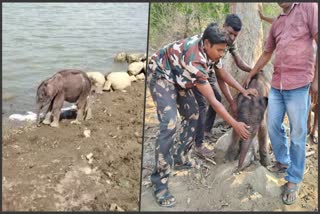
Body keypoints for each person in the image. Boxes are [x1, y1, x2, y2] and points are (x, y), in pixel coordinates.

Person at [147, 23, 257, 207]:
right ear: (206, 44)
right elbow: (213, 100)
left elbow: (222, 73)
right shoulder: (195, 60)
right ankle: (159, 182)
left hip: (179, 74)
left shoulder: (214, 45)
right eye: (220, 51)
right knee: (170, 123)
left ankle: (180, 158)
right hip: (161, 74)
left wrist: (242, 91)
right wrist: (235, 124)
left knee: (194, 114)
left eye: (224, 51)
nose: (222, 54)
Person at [244, 2, 318, 205]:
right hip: (278, 84)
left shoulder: (309, 7)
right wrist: (252, 71)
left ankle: (294, 178)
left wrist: (316, 79)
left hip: (300, 83)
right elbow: (267, 53)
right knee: (274, 125)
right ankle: (283, 161)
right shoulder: (277, 23)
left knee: (298, 132)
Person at [192, 14, 253, 159]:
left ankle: (206, 131)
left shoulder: (229, 42)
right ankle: (198, 143)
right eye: (230, 33)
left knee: (217, 97)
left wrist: (254, 71)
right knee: (203, 103)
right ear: (223, 26)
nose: (232, 37)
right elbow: (220, 75)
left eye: (235, 35)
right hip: (199, 67)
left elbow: (225, 72)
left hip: (212, 66)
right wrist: (234, 122)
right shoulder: (213, 36)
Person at [258, 4, 318, 145]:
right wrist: (262, 17)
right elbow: (277, 21)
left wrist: (316, 80)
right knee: (305, 111)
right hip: (290, 80)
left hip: (311, 73)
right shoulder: (283, 19)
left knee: (315, 104)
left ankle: (314, 130)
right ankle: (307, 127)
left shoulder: (309, 11)